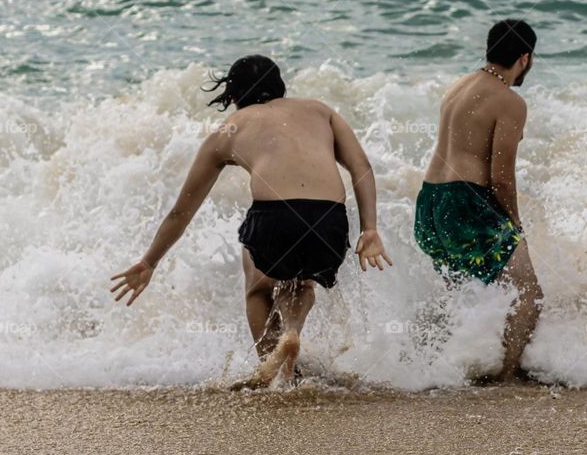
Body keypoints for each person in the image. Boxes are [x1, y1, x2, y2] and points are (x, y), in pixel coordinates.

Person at [109, 55, 392, 387]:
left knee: (258, 285)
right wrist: (369, 228)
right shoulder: (321, 111)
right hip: (328, 220)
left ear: (232, 96)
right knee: (302, 281)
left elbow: (182, 211)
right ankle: (290, 333)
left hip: (274, 218)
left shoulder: (228, 130)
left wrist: (149, 261)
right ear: (281, 87)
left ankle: (270, 369)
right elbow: (361, 168)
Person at [414, 19, 544, 381]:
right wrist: (515, 224)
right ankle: (504, 377)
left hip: (430, 203)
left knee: (460, 293)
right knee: (529, 294)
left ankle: (421, 367)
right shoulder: (510, 102)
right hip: (464, 202)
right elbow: (501, 177)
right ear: (525, 58)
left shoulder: (459, 86)